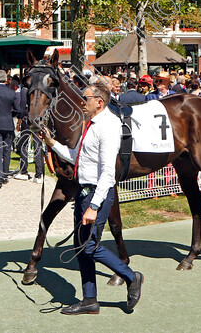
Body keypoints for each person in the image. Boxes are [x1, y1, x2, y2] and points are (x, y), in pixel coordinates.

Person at [38, 81, 142, 315]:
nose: (81, 103)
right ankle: (89, 300)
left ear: (99, 102)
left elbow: (107, 172)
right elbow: (76, 157)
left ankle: (130, 276)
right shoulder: (91, 124)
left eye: (85, 99)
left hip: (96, 194)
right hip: (84, 192)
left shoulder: (107, 126)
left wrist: (94, 206)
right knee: (81, 247)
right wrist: (51, 143)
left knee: (90, 247)